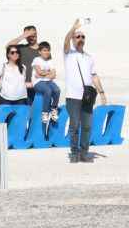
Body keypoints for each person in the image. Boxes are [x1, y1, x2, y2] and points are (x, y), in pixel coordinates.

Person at [62, 18, 107, 163]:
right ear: (74, 39)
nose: (80, 39)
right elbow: (65, 41)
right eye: (77, 37)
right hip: (73, 96)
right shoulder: (69, 54)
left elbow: (94, 76)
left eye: (82, 37)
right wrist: (73, 28)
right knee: (74, 125)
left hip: (87, 96)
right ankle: (74, 152)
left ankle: (84, 152)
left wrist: (102, 93)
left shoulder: (89, 57)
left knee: (87, 125)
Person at [0, 42, 30, 110]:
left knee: (19, 120)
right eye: (12, 52)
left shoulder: (23, 67)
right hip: (6, 100)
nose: (15, 54)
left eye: (17, 52)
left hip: (21, 99)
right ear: (8, 54)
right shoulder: (3, 66)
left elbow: (22, 83)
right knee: (6, 120)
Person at [30, 41, 60, 125]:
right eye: (44, 50)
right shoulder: (37, 60)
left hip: (48, 81)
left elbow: (53, 75)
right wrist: (47, 73)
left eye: (48, 50)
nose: (46, 52)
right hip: (37, 82)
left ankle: (54, 109)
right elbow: (39, 72)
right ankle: (45, 112)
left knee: (57, 90)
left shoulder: (50, 61)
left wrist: (43, 74)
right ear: (39, 51)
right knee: (48, 91)